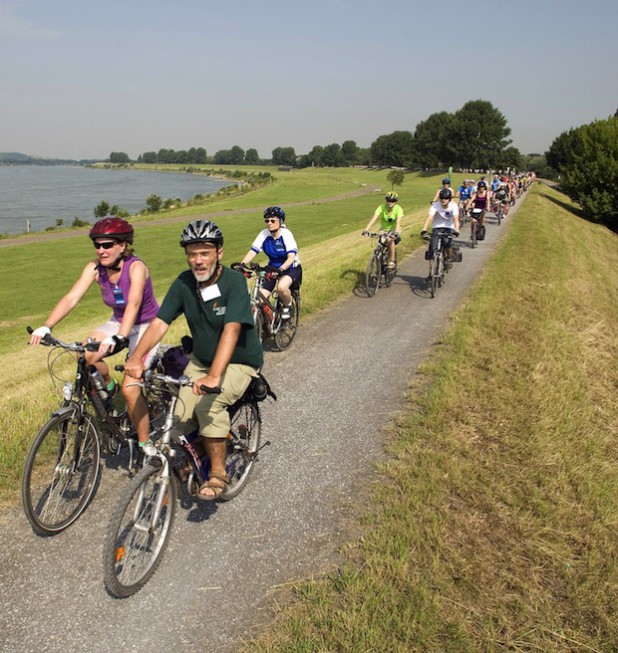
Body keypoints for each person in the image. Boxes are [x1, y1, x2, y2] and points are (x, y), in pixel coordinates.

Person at [124, 220, 263, 500]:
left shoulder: (234, 282)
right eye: (192, 254)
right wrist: (137, 357)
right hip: (201, 360)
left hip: (239, 361)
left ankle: (218, 473)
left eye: (205, 253)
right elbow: (161, 322)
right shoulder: (184, 282)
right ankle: (198, 454)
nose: (198, 261)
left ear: (219, 253)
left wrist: (213, 377)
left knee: (210, 406)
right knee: (178, 418)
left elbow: (231, 329)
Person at [29, 216, 160, 453]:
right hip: (119, 321)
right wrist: (47, 325)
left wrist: (119, 336)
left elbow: (134, 302)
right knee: (86, 356)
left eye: (107, 245)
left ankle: (145, 443)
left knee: (131, 389)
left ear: (123, 245)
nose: (101, 250)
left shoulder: (136, 267)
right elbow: (72, 297)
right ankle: (109, 388)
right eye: (97, 245)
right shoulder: (94, 269)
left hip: (146, 325)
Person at [240, 206, 302, 321]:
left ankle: (288, 306)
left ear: (280, 221)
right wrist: (242, 264)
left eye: (272, 220)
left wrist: (282, 269)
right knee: (260, 299)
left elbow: (291, 257)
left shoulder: (286, 234)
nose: (269, 223)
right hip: (272, 267)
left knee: (281, 288)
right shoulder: (264, 234)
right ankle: (268, 322)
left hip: (290, 268)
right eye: (267, 221)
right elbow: (253, 251)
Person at [421, 189, 460, 278]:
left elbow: (455, 219)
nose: (443, 200)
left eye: (446, 198)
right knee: (432, 249)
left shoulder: (453, 206)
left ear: (449, 199)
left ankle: (449, 258)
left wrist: (457, 230)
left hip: (449, 227)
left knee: (447, 243)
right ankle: (431, 274)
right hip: (437, 227)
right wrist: (424, 229)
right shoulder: (436, 205)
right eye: (442, 198)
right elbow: (429, 218)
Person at [362, 191, 403, 268]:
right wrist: (366, 230)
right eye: (388, 200)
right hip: (383, 230)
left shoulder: (398, 209)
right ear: (386, 200)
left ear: (395, 202)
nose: (390, 202)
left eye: (393, 201)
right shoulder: (381, 207)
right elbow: (374, 218)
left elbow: (398, 222)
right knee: (379, 247)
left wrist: (396, 233)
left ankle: (392, 261)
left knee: (390, 240)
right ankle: (379, 270)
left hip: (394, 229)